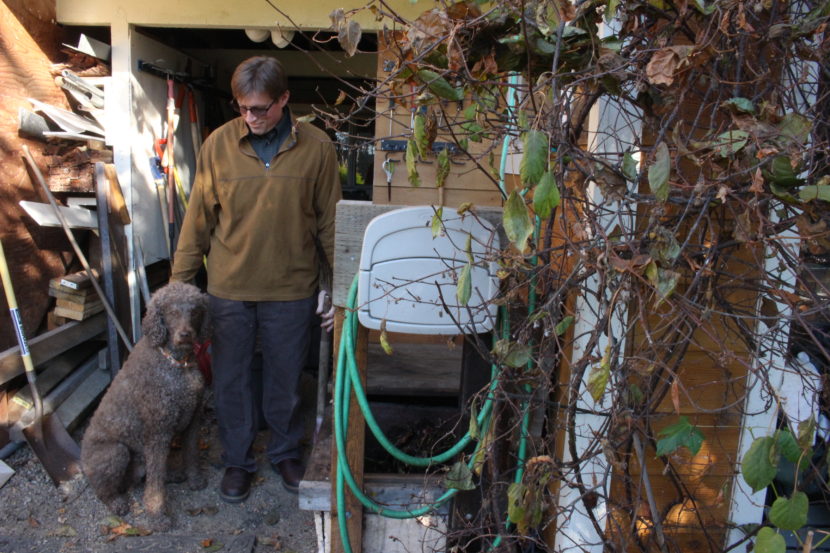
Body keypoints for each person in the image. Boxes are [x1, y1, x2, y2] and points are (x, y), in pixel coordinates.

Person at [171, 55, 339, 501]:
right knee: (231, 381)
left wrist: (339, 290)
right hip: (229, 289)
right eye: (242, 108)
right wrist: (178, 292)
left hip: (292, 289)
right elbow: (197, 225)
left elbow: (330, 227)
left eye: (260, 108)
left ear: (284, 100)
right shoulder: (217, 146)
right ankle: (238, 461)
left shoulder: (319, 148)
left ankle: (285, 451)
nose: (250, 117)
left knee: (285, 379)